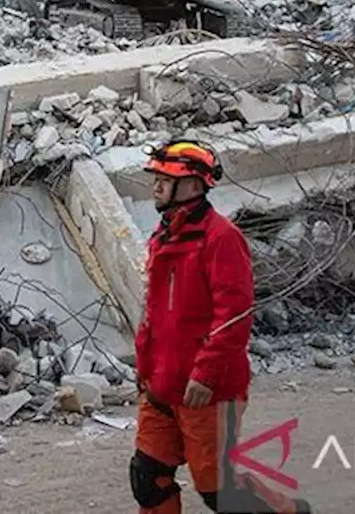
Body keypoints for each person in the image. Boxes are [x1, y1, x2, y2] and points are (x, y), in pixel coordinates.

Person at [132, 140, 310, 514]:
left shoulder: (221, 238)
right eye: (158, 178)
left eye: (167, 179)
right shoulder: (163, 238)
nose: (157, 186)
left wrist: (206, 373)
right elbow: (155, 313)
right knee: (148, 477)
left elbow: (234, 315)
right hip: (162, 385)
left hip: (206, 391)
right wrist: (144, 367)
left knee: (219, 491)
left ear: (195, 186)